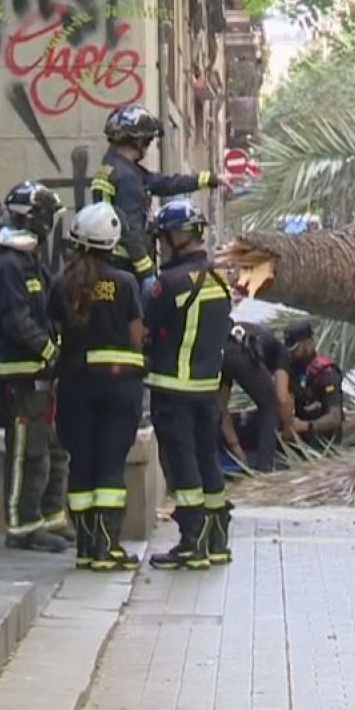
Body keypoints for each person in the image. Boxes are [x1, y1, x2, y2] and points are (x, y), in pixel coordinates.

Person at [50, 202, 145, 571]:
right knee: (110, 467)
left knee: (82, 464)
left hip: (75, 385)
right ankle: (108, 548)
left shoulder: (62, 284)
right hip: (120, 387)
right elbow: (136, 336)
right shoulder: (125, 282)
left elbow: (54, 330)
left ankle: (87, 547)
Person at [143, 200, 233, 569]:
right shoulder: (218, 281)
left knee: (183, 467)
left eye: (163, 238)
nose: (161, 246)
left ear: (179, 237)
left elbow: (145, 330)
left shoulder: (169, 284)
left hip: (172, 389)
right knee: (207, 460)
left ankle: (191, 542)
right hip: (206, 391)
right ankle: (217, 540)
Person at [0, 182, 70, 553]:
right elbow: (17, 320)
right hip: (19, 375)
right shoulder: (9, 263)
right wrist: (52, 351)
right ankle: (22, 527)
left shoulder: (30, 259)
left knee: (52, 449)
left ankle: (51, 518)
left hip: (39, 375)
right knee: (26, 452)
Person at [89, 104, 232, 289]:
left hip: (109, 261)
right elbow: (131, 229)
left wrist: (210, 179)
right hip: (125, 263)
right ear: (137, 140)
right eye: (147, 140)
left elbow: (165, 183)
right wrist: (146, 272)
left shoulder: (113, 167)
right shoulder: (126, 176)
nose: (147, 146)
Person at [219, 321, 293, 475]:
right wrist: (289, 431)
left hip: (220, 349)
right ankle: (264, 468)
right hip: (242, 350)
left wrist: (237, 449)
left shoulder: (251, 336)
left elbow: (222, 407)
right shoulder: (280, 351)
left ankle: (234, 457)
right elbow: (282, 398)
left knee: (217, 408)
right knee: (270, 405)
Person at [282, 321, 344, 448]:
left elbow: (335, 417)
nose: (292, 354)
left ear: (308, 344)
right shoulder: (292, 369)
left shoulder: (326, 373)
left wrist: (306, 426)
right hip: (297, 440)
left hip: (324, 442)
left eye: (296, 349)